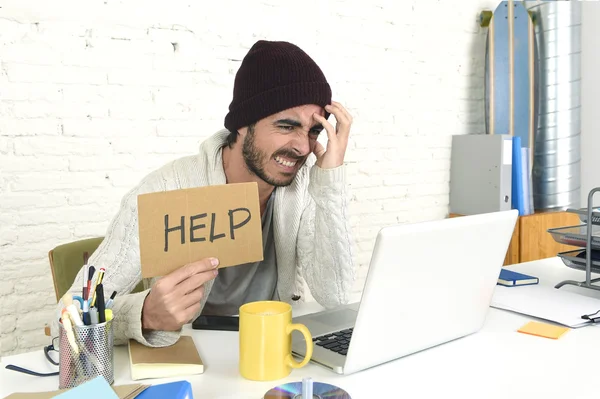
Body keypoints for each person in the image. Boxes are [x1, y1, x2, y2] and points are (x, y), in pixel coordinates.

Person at [51, 40, 356, 347]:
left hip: (271, 351)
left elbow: (336, 296)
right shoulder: (165, 189)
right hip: (191, 359)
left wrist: (330, 180)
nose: (304, 147)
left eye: (314, 131)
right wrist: (143, 315)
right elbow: (65, 319)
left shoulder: (303, 185)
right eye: (287, 126)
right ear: (243, 125)